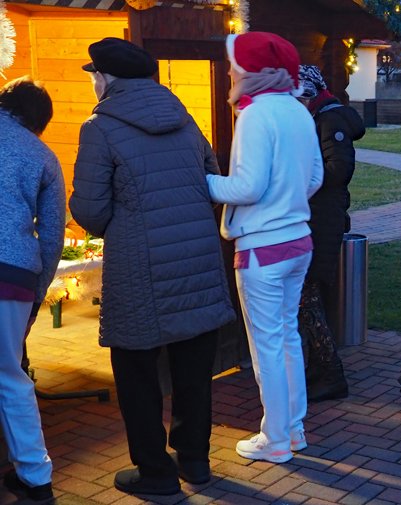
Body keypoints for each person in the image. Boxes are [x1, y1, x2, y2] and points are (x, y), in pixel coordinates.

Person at [69, 38, 235, 495]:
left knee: (136, 371)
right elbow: (210, 176)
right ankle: (195, 461)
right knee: (193, 369)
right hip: (197, 260)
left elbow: (90, 210)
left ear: (104, 78)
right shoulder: (184, 118)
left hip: (138, 268)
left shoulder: (99, 127)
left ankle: (156, 473)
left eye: (93, 76)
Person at [207, 32, 323, 464]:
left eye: (234, 64)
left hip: (262, 248)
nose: (230, 72)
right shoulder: (298, 109)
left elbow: (247, 187)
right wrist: (286, 201)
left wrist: (202, 182)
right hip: (297, 242)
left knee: (267, 346)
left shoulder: (255, 115)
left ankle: (274, 439)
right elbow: (314, 178)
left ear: (250, 70)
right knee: (287, 338)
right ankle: (292, 431)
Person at [0, 77, 64, 503]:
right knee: (9, 374)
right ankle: (36, 475)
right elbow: (53, 234)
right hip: (14, 273)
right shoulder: (42, 155)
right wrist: (38, 293)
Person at [295, 64, 365, 402]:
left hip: (322, 219)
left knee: (307, 295)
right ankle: (319, 366)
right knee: (309, 295)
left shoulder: (329, 120)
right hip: (318, 217)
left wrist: (298, 177)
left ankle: (331, 374)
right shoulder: (321, 116)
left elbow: (339, 169)